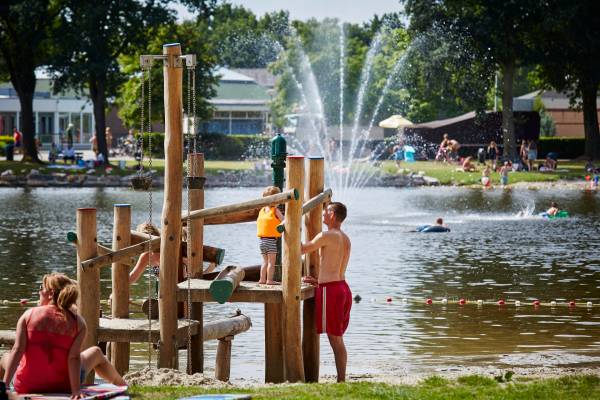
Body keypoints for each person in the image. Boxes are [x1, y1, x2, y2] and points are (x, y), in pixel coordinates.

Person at [0, 273, 125, 398]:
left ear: (51, 293)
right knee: (96, 352)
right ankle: (123, 386)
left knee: (6, 356)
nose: (39, 292)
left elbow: (18, 350)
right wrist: (75, 390)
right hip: (65, 385)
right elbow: (73, 358)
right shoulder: (78, 322)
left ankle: (2, 387)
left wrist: (6, 385)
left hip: (26, 385)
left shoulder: (28, 315)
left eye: (41, 288)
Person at [301, 202, 351, 382]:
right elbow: (334, 268)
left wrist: (287, 225)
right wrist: (318, 281)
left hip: (332, 291)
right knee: (337, 337)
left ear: (333, 214)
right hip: (342, 288)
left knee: (335, 339)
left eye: (326, 211)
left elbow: (301, 249)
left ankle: (341, 380)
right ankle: (341, 380)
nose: (322, 214)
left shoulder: (328, 235)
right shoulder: (344, 238)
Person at [256, 186, 285, 285]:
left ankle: (262, 279)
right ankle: (269, 280)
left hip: (261, 241)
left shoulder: (262, 210)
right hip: (271, 241)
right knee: (271, 263)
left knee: (264, 262)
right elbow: (283, 220)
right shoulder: (275, 210)